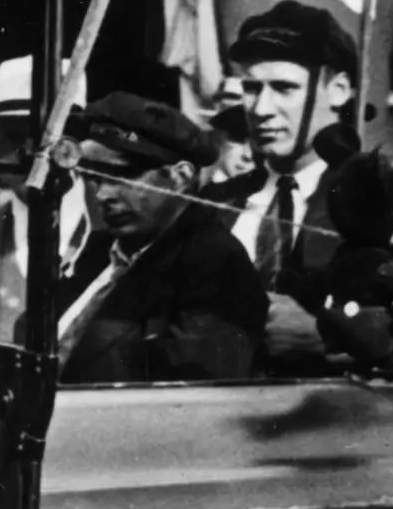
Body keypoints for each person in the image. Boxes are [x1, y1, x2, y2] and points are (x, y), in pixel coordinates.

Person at [205, 0, 393, 377]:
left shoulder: (392, 196)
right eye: (252, 88)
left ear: (339, 90)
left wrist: (331, 339)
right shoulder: (218, 203)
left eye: (284, 88)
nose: (260, 108)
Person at [60, 94, 267, 383]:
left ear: (180, 177)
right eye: (95, 178)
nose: (103, 195)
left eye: (122, 177)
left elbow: (189, 399)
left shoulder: (215, 264)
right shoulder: (100, 249)